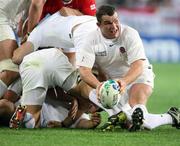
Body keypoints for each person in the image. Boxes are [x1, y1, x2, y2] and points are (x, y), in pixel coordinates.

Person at [9, 47, 180, 131]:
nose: (92, 108)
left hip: (138, 74)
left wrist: (72, 120)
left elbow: (75, 119)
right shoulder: (89, 78)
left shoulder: (87, 98)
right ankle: (171, 117)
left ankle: (171, 117)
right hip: (115, 80)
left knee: (140, 120)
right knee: (131, 118)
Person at [75, 5, 154, 107]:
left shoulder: (130, 34)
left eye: (116, 21)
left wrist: (124, 82)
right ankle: (170, 117)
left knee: (136, 108)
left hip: (138, 76)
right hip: (113, 83)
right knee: (127, 121)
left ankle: (169, 118)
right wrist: (98, 85)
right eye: (108, 23)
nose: (114, 26)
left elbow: (138, 66)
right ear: (98, 25)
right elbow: (84, 71)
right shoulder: (90, 39)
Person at [12, 12, 98, 65]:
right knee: (17, 59)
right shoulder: (37, 34)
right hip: (41, 32)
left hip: (71, 31)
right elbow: (16, 59)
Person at [0, 0, 46, 99]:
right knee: (11, 70)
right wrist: (30, 35)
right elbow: (37, 3)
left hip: (6, 19)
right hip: (1, 17)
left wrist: (25, 34)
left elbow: (22, 28)